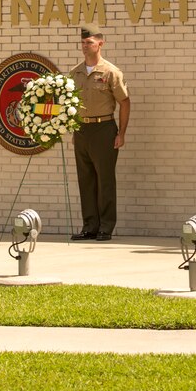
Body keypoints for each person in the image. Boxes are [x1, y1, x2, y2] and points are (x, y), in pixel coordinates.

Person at [69, 25, 130, 242]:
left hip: (104, 129)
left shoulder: (110, 72)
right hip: (82, 129)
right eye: (83, 43)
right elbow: (71, 103)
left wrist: (121, 133)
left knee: (105, 180)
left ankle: (106, 227)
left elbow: (124, 102)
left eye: (90, 42)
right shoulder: (75, 72)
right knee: (85, 180)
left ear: (100, 44)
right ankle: (90, 226)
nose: (85, 46)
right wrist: (74, 129)